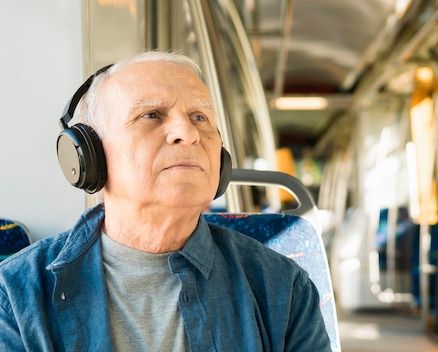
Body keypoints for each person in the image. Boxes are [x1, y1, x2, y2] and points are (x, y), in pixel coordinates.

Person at [0, 51, 331, 351]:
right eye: (152, 115)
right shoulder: (14, 296)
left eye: (200, 117)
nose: (187, 133)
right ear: (88, 155)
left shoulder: (284, 288)